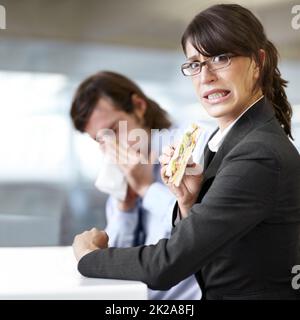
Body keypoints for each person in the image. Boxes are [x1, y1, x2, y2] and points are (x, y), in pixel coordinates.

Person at [72, 4, 300, 300]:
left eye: (221, 57)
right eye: (194, 64)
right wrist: (188, 203)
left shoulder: (257, 153)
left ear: (258, 61)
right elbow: (212, 250)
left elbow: (168, 264)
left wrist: (87, 256)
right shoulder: (226, 142)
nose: (206, 76)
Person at [70, 71, 206, 299]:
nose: (111, 148)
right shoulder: (122, 171)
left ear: (139, 106)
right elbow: (115, 264)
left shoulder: (191, 145)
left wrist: (146, 188)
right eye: (100, 140)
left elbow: (193, 235)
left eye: (113, 130)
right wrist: (125, 206)